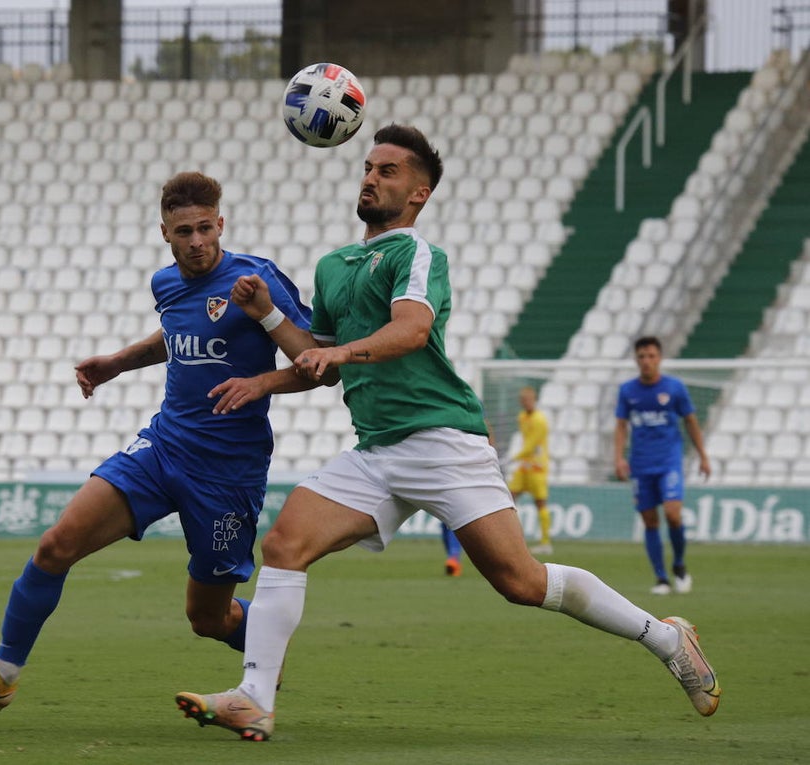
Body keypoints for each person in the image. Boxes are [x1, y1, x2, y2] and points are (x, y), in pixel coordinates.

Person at [173, 124, 720, 742]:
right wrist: (268, 316)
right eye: (368, 167)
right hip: (377, 450)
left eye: (388, 171)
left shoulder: (417, 254)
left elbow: (407, 332)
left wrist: (339, 355)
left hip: (442, 441)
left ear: (419, 193)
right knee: (285, 546)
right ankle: (254, 698)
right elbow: (318, 362)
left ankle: (669, 639)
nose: (371, 178)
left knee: (521, 582)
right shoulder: (332, 266)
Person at [0, 172, 311, 709]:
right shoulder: (165, 284)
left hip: (228, 472)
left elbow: (317, 366)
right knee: (55, 544)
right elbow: (176, 335)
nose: (197, 241)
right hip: (162, 448)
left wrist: (261, 377)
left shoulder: (258, 278)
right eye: (185, 231)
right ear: (165, 233)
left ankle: (263, 656)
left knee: (207, 618)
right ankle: (4, 668)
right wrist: (116, 363)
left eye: (206, 228)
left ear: (221, 224)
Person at [614, 336, 711, 595]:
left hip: (669, 462)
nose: (646, 361)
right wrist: (619, 457)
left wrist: (703, 455)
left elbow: (691, 421)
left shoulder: (675, 388)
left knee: (672, 513)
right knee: (649, 521)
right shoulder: (627, 391)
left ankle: (679, 564)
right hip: (641, 464)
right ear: (636, 360)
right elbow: (621, 426)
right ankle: (661, 578)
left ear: (660, 358)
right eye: (642, 357)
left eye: (651, 356)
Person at [507, 385, 554, 555]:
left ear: (534, 400)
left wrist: (514, 457)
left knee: (540, 503)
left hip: (537, 466)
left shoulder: (540, 420)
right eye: (523, 400)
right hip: (524, 466)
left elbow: (532, 444)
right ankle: (509, 539)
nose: (525, 403)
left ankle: (545, 542)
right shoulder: (522, 417)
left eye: (528, 399)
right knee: (508, 499)